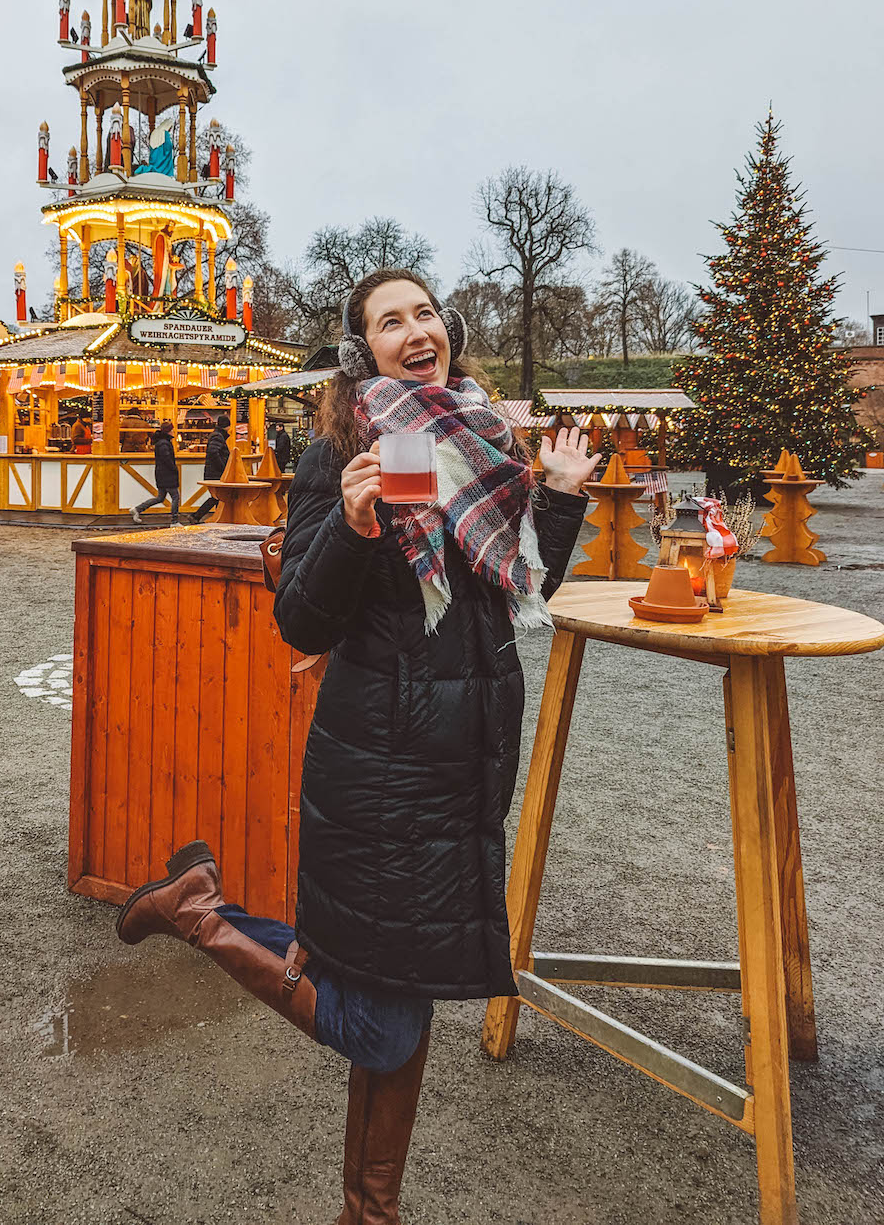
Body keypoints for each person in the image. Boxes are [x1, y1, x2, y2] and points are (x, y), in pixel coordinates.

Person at [115, 268, 598, 1221]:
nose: (415, 331)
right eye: (390, 322)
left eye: (425, 314)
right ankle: (200, 916)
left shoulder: (483, 435)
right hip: (383, 774)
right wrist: (352, 520)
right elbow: (301, 619)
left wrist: (562, 499)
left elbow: (511, 584)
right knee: (378, 1022)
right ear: (363, 350)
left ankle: (368, 1211)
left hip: (463, 774)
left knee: (400, 1001)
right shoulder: (341, 450)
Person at [130, 421, 181, 523]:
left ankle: (137, 509)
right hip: (167, 474)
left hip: (162, 473)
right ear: (168, 431)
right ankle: (174, 521)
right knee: (175, 497)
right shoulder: (164, 443)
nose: (173, 432)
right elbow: (166, 458)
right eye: (172, 430)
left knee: (160, 497)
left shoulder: (161, 442)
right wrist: (174, 469)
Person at [189, 419, 231, 523]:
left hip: (214, 472)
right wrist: (223, 467)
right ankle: (196, 516)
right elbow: (213, 453)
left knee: (219, 497)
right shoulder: (218, 437)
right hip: (216, 473)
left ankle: (217, 518)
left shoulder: (217, 436)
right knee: (218, 497)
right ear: (227, 426)